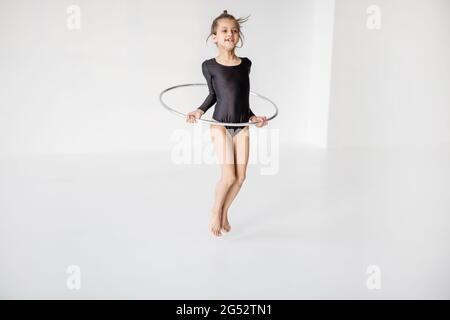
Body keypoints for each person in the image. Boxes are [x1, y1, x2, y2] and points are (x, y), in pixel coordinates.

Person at [186, 10, 268, 237]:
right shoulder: (209, 66)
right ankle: (215, 210)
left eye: (234, 30)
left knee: (241, 178)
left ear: (238, 36)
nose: (229, 34)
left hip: (243, 125)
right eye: (224, 31)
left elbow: (243, 96)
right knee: (229, 176)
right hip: (220, 124)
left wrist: (253, 117)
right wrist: (199, 110)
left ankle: (224, 211)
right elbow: (214, 95)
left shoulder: (246, 64)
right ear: (214, 37)